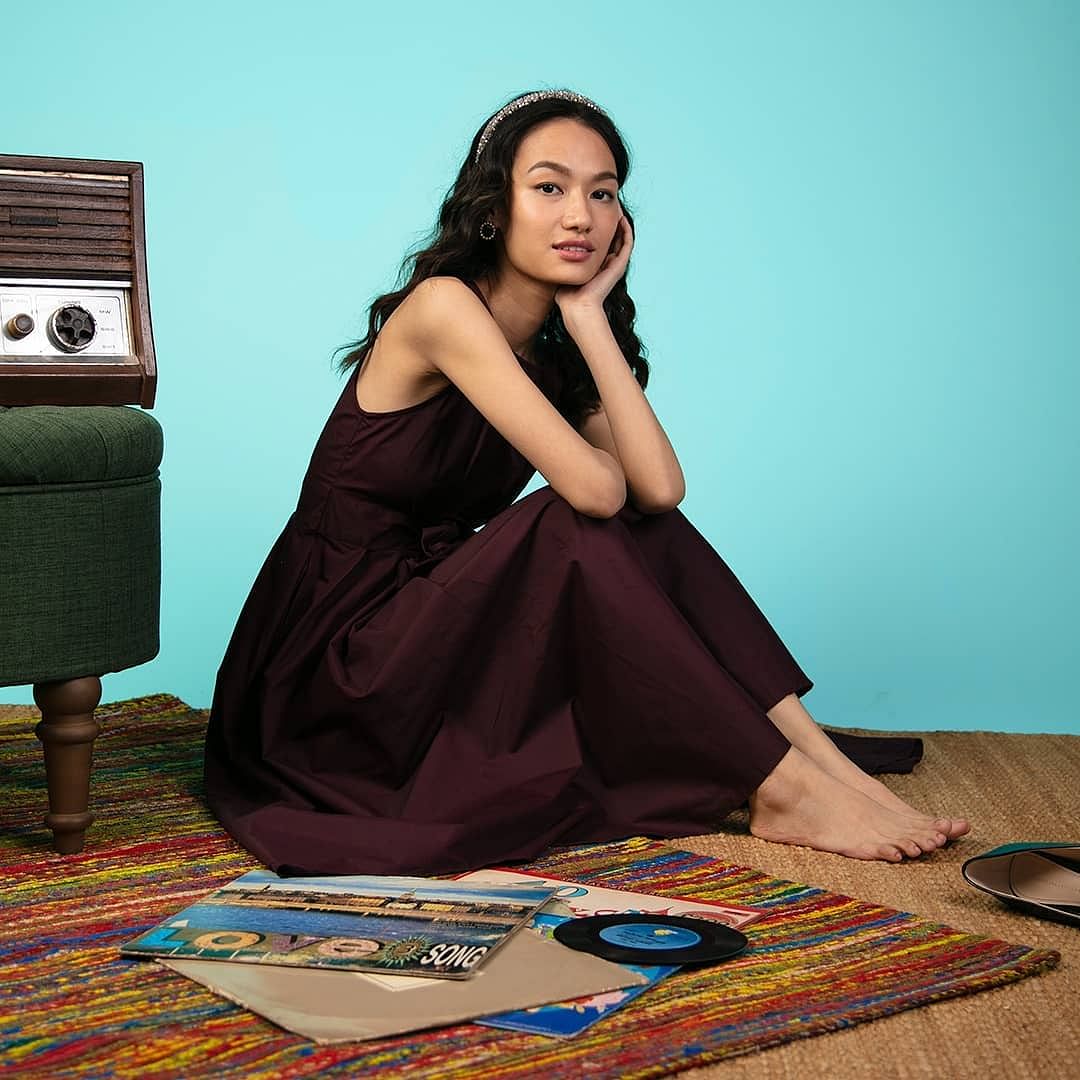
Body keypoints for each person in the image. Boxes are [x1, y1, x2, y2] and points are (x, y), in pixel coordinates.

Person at [204, 88, 970, 877]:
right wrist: (585, 335)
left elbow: (660, 493)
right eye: (549, 187)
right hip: (332, 662)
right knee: (570, 518)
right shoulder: (443, 309)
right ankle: (779, 789)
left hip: (422, 616)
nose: (580, 215)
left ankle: (820, 770)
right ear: (492, 208)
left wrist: (591, 321)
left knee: (649, 526)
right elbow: (598, 496)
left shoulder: (555, 343)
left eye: (601, 193)